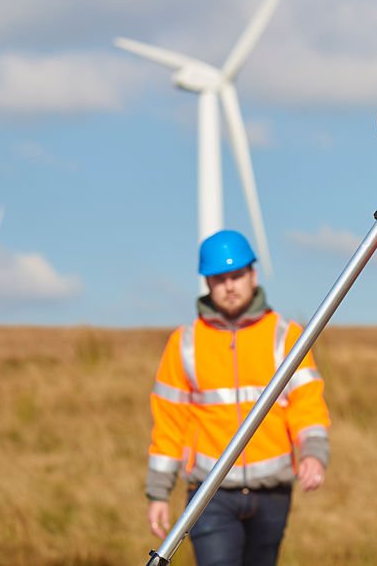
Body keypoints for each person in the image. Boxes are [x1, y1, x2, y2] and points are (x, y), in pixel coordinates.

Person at [145, 230, 330, 566]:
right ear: (208, 283)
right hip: (209, 496)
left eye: (237, 275)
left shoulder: (285, 336)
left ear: (253, 274)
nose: (229, 286)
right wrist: (158, 492)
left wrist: (313, 454)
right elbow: (169, 424)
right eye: (219, 278)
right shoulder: (184, 343)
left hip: (273, 494)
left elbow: (307, 404)